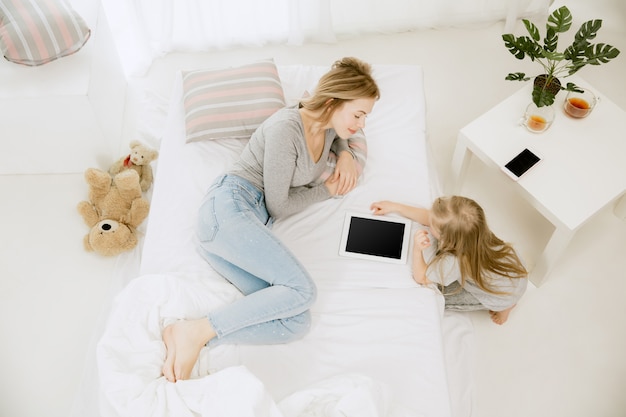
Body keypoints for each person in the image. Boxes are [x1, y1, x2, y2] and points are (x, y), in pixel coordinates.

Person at [162, 57, 381, 382]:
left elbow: (337, 134)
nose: (362, 124)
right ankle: (196, 330)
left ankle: (196, 335)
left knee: (295, 322)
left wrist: (347, 150)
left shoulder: (327, 128)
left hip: (241, 230)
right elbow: (278, 205)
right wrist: (327, 191)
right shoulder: (286, 128)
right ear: (333, 101)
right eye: (359, 114)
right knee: (303, 290)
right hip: (228, 209)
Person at [371, 196, 528, 325]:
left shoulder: (454, 262)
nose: (428, 224)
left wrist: (417, 250)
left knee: (437, 296)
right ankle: (509, 302)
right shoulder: (475, 232)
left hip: (501, 296)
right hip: (515, 274)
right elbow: (429, 217)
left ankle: (506, 308)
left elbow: (422, 277)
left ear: (448, 240)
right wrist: (394, 207)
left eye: (432, 226)